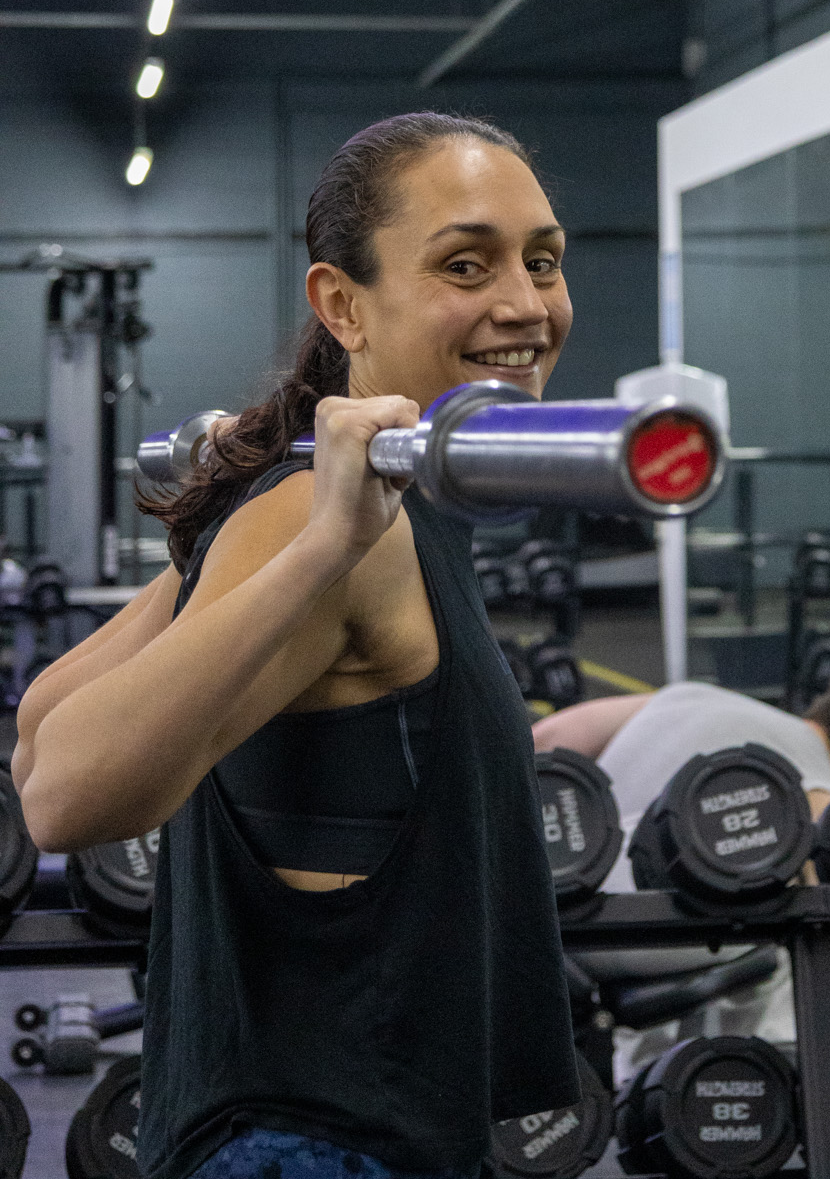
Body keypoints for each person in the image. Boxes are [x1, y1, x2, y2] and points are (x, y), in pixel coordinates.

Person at [14, 112, 581, 1179]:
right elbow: (58, 789)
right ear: (343, 304)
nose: (524, 303)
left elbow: (35, 725)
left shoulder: (354, 504)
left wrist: (232, 522)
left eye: (542, 261)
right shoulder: (333, 531)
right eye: (466, 264)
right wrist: (313, 538)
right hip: (315, 1146)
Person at [533, 668, 830, 1074]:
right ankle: (742, 1083)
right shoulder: (814, 795)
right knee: (793, 914)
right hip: (614, 937)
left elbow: (544, 738)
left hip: (544, 911)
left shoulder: (691, 695)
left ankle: (667, 1077)